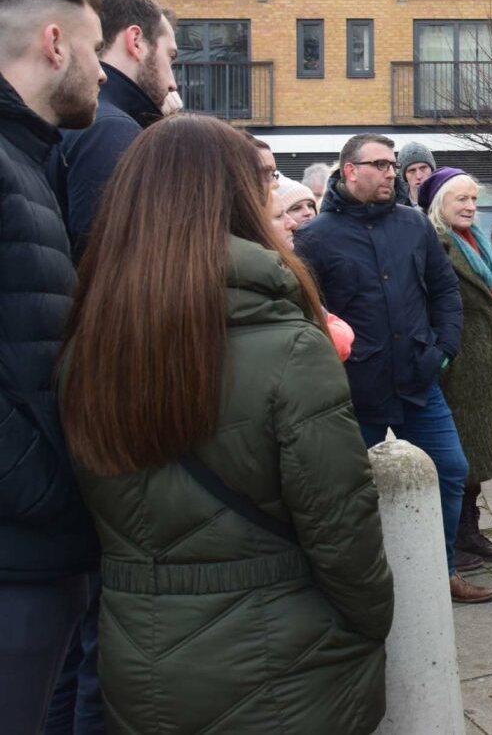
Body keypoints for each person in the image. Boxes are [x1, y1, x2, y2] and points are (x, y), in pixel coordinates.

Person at [58, 114, 393, 734]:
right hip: (281, 654)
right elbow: (341, 526)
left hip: (138, 654)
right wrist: (375, 619)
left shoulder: (85, 345)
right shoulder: (289, 343)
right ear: (238, 197)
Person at [45, 0, 175, 733]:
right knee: (96, 646)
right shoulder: (114, 137)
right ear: (138, 43)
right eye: (172, 53)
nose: (173, 72)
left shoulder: (100, 129)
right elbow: (113, 281)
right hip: (109, 420)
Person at [294, 134, 491, 604]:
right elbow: (305, 312)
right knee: (346, 493)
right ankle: (356, 586)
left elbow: (445, 292)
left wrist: (443, 349)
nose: (390, 172)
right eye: (379, 164)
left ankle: (440, 574)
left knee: (450, 470)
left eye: (392, 164)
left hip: (418, 380)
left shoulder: (413, 225)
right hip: (353, 390)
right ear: (349, 170)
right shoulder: (316, 237)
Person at [0, 0, 103, 732]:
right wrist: (46, 489)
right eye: (98, 51)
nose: (103, 72)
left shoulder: (28, 162)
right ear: (57, 43)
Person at [418, 167, 492, 569]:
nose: (470, 206)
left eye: (474, 199)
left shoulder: (476, 240)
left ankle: (471, 532)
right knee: (456, 457)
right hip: (457, 365)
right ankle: (453, 538)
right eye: (461, 198)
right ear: (439, 202)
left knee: (477, 453)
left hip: (486, 362)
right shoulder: (435, 242)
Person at [52, 0, 177, 257]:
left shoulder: (79, 117)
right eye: (170, 57)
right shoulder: (111, 129)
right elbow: (110, 262)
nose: (173, 84)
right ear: (135, 41)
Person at [272, 180, 354, 363]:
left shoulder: (328, 243)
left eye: (310, 205)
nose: (307, 212)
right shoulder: (275, 268)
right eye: (295, 208)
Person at [397, 140, 435, 207]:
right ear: (404, 176)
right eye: (412, 170)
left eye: (423, 168)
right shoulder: (396, 208)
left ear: (432, 170)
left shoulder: (445, 202)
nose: (419, 176)